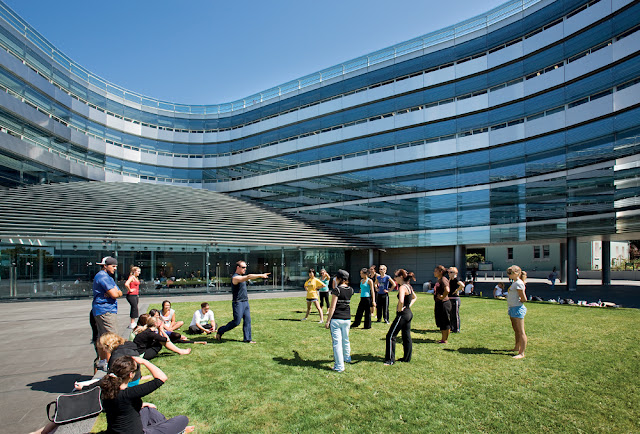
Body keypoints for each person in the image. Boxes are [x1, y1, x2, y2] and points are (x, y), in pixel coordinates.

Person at [99, 355, 194, 434]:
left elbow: (122, 406)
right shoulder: (128, 393)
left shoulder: (108, 389)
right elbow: (161, 378)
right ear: (131, 374)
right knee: (183, 419)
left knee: (147, 410)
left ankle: (167, 427)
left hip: (119, 431)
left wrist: (144, 404)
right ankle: (177, 431)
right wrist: (145, 362)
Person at [216, 260, 270, 343]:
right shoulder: (235, 278)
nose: (245, 269)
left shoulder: (241, 276)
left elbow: (247, 277)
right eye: (243, 267)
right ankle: (220, 331)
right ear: (238, 267)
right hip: (238, 303)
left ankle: (247, 339)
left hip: (245, 302)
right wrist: (261, 275)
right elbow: (248, 276)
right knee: (236, 322)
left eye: (245, 267)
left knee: (247, 321)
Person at [92, 256, 123, 371]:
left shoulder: (107, 277)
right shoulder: (103, 277)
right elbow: (116, 294)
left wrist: (116, 293)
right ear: (105, 266)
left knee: (102, 337)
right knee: (112, 338)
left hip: (102, 310)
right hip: (106, 310)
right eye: (113, 266)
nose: (115, 268)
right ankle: (111, 364)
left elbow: (118, 292)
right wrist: (116, 293)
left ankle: (103, 361)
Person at [384, 269, 417, 365]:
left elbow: (401, 300)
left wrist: (400, 308)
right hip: (408, 313)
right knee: (406, 336)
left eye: (396, 277)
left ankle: (390, 360)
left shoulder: (402, 287)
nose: (394, 279)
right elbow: (414, 297)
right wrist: (408, 306)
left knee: (390, 336)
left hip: (403, 315)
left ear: (401, 277)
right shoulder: (409, 286)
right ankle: (407, 358)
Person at [325, 269, 354, 372]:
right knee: (346, 339)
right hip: (347, 318)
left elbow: (332, 307)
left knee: (337, 343)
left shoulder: (336, 290)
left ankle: (339, 366)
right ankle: (347, 357)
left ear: (339, 279)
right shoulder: (351, 289)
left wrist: (328, 320)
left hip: (336, 319)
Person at [506, 266, 528, 359]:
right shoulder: (515, 283)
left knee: (521, 331)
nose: (508, 274)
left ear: (516, 273)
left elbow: (523, 298)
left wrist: (518, 301)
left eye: (510, 273)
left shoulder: (518, 283)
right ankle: (516, 347)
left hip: (517, 308)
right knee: (516, 330)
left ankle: (522, 353)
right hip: (512, 308)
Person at [433, 265, 451, 344]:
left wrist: (442, 296)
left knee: (445, 322)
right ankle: (443, 339)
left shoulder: (443, 280)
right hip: (439, 303)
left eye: (436, 271)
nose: (434, 272)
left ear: (441, 272)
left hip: (444, 303)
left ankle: (444, 340)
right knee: (441, 321)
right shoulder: (439, 280)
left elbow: (447, 290)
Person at [447, 267, 464, 333]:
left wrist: (456, 290)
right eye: (448, 272)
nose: (449, 273)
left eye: (451, 272)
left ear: (455, 273)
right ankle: (451, 327)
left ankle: (456, 329)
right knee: (451, 314)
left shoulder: (456, 279)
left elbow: (462, 285)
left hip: (455, 299)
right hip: (450, 298)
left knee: (455, 314)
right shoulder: (450, 279)